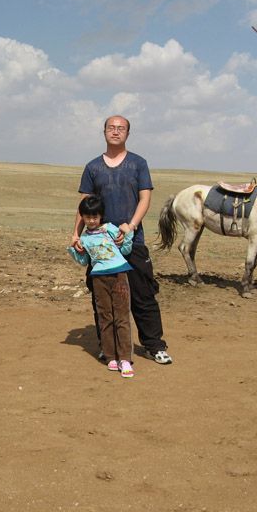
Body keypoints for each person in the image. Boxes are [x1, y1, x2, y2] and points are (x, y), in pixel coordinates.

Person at [71, 114, 172, 365]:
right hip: (99, 244)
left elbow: (145, 198)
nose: (116, 132)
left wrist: (132, 226)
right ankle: (109, 349)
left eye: (121, 128)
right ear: (104, 131)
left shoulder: (138, 164)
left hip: (131, 241)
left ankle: (153, 345)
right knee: (102, 298)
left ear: (128, 133)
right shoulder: (93, 167)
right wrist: (76, 233)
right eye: (111, 128)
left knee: (143, 294)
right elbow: (84, 204)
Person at [68, 195, 135, 378]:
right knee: (105, 317)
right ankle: (110, 355)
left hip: (119, 275)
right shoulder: (85, 239)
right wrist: (74, 248)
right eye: (87, 217)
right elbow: (83, 261)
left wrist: (127, 233)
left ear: (101, 216)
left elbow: (125, 249)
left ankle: (125, 359)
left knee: (121, 317)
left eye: (95, 217)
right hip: (99, 279)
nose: (91, 221)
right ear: (82, 216)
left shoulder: (110, 229)